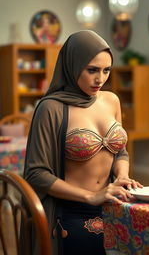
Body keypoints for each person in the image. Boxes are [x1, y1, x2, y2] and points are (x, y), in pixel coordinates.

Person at [23, 30, 142, 255]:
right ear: (72, 65)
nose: (100, 79)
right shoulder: (51, 108)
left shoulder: (111, 100)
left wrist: (123, 175)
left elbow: (120, 152)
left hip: (113, 203)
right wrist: (91, 196)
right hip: (71, 213)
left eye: (106, 70)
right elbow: (35, 173)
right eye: (92, 70)